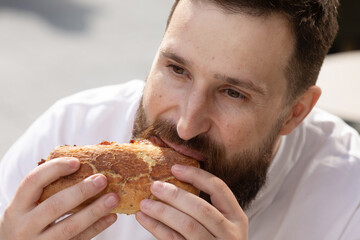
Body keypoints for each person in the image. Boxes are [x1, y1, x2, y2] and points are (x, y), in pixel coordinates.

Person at [1, 0, 359, 239]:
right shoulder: (69, 128)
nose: (187, 124)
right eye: (177, 69)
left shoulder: (348, 201)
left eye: (233, 93)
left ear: (295, 112)